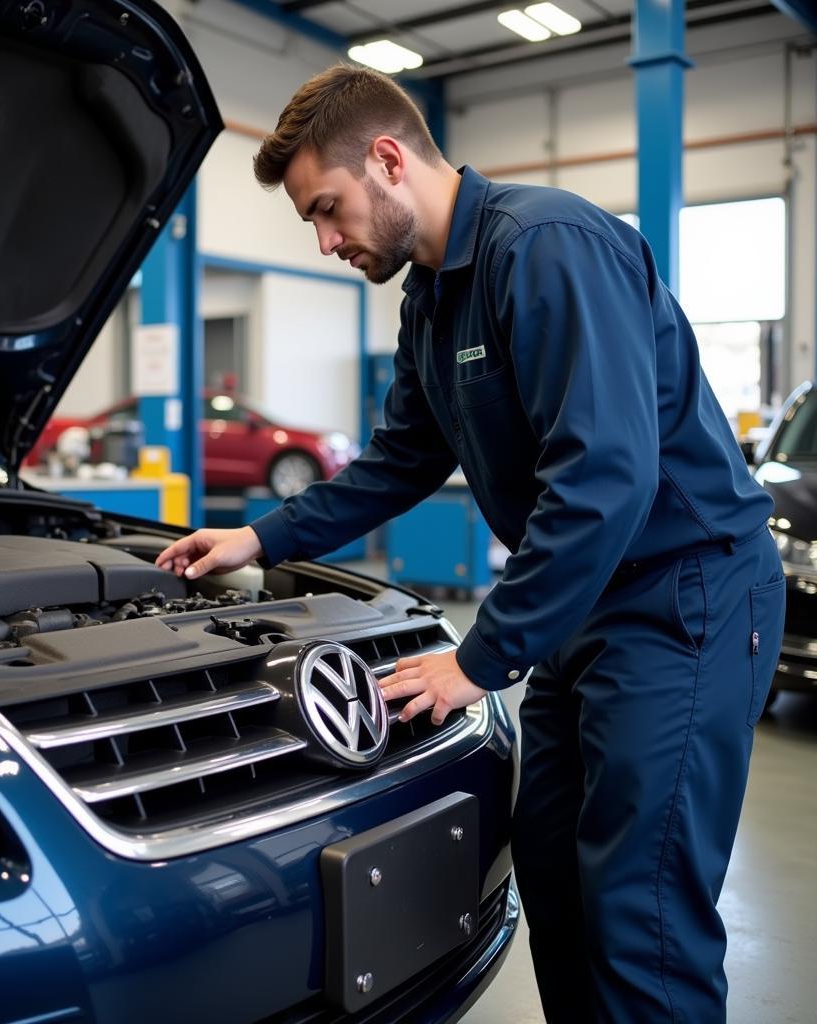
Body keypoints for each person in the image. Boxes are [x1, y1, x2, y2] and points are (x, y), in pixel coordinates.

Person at [155, 65, 785, 1023]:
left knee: (642, 913)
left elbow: (606, 477)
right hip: (586, 613)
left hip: (682, 601)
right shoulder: (432, 302)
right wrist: (256, 535)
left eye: (327, 210)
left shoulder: (548, 247)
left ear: (389, 160)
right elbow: (397, 462)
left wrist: (477, 661)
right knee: (559, 880)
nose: (326, 241)